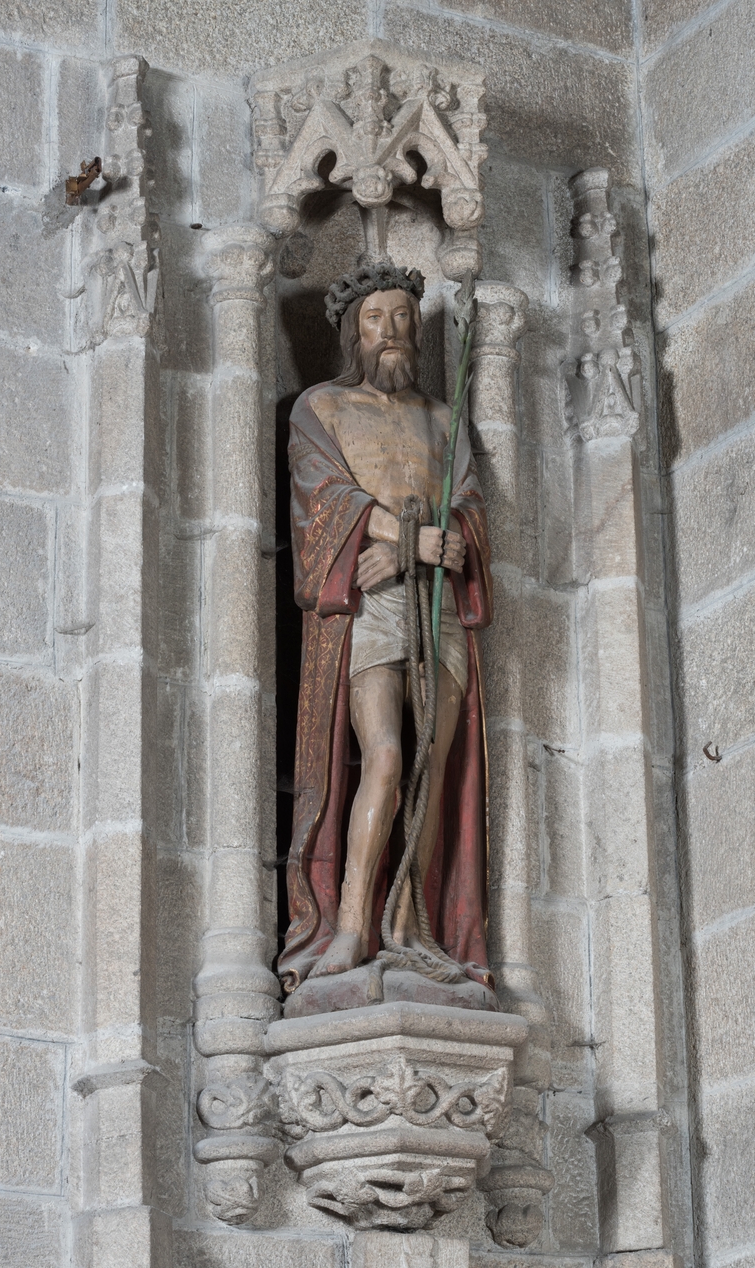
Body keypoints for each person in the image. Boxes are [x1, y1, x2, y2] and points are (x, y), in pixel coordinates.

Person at [279, 262, 494, 996]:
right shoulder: (323, 407)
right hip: (373, 605)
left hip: (436, 604)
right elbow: (324, 497)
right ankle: (348, 927)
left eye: (403, 317)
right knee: (388, 756)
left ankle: (408, 926)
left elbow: (467, 504)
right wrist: (406, 542)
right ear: (353, 332)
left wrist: (440, 543)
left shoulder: (443, 418)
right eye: (376, 319)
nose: (392, 331)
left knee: (432, 767)